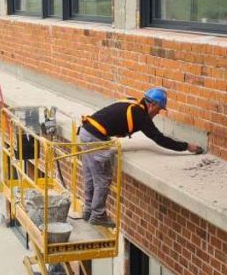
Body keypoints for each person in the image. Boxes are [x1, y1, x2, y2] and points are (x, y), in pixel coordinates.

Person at [79, 87, 203, 228]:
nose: (158, 113)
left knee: (90, 175)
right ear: (152, 105)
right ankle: (98, 215)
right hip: (95, 139)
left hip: (86, 132)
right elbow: (159, 138)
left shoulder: (133, 103)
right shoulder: (140, 116)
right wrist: (186, 146)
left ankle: (88, 211)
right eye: (159, 109)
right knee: (103, 178)